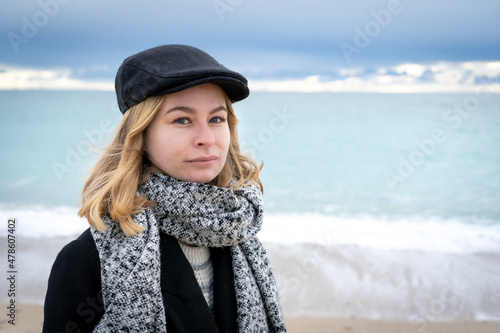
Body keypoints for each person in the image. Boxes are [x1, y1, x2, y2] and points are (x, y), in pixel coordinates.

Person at [43, 44, 287, 332]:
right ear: (141, 134)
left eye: (216, 119)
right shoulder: (86, 260)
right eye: (182, 120)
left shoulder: (238, 233)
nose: (206, 138)